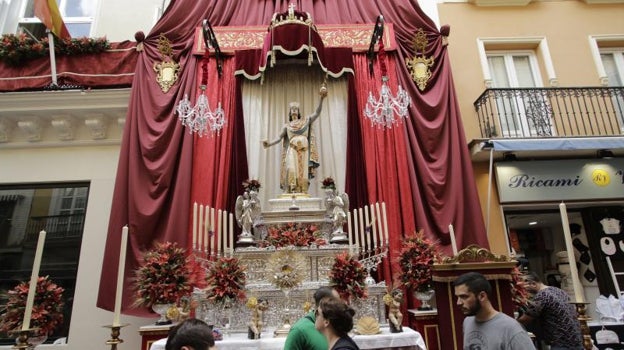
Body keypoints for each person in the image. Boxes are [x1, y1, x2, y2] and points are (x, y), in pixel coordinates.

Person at [263, 83, 327, 194]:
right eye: (292, 109)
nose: (294, 110)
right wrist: (268, 144)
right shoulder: (286, 126)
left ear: (298, 112)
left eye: (295, 109)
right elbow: (279, 138)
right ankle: (291, 191)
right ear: (290, 112)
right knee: (291, 169)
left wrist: (321, 98)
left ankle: (302, 192)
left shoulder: (305, 121)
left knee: (302, 173)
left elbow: (317, 112)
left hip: (303, 151)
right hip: (292, 150)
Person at [453, 271, 536, 350]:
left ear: (482, 296)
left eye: (464, 297)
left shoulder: (511, 329)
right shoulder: (468, 322)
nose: (458, 303)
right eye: (457, 297)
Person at [518, 271, 583, 350]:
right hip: (576, 340)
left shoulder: (542, 296)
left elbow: (526, 319)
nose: (524, 291)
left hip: (561, 344)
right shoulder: (559, 291)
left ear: (534, 284)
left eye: (525, 288)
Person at [284, 286, 341, 350]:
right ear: (324, 303)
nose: (341, 305)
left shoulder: (337, 324)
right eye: (337, 303)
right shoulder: (299, 330)